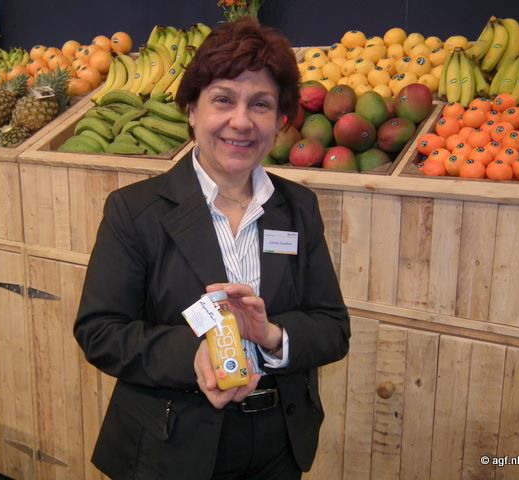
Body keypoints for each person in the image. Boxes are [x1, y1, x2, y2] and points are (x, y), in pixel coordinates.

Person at [74, 16, 350, 480]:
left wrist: (272, 335)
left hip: (278, 446)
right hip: (171, 445)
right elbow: (100, 331)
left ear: (280, 122)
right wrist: (193, 354)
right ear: (191, 110)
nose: (241, 121)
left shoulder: (298, 208)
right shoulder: (135, 211)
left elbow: (333, 327)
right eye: (223, 99)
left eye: (260, 104)